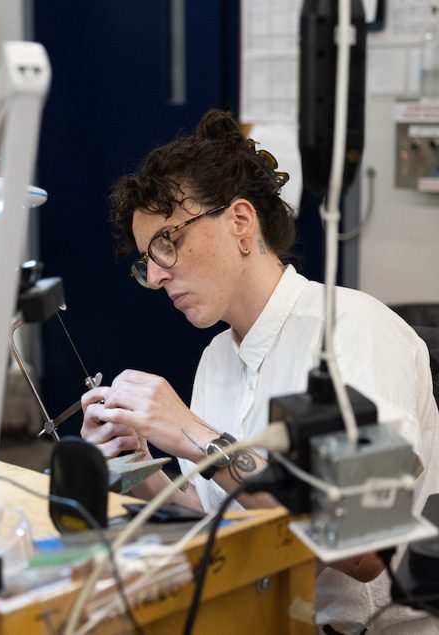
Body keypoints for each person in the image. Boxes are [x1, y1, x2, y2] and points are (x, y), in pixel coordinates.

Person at [81, 109, 439, 634]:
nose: (155, 276)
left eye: (166, 243)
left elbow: (366, 549)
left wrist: (197, 437)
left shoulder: (355, 332)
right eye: (145, 260)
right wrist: (136, 466)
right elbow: (226, 519)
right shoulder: (217, 360)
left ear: (240, 223)